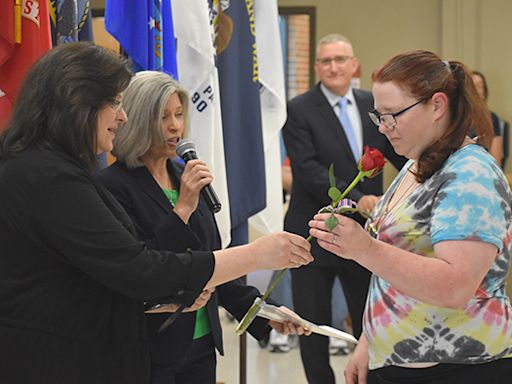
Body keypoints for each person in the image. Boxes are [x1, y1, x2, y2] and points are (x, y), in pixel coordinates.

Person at [0, 42, 313, 384]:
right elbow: (140, 268)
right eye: (115, 104)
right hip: (64, 358)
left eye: (179, 114)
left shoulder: (61, 170)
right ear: (79, 104)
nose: (122, 117)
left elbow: (100, 277)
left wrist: (256, 312)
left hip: (174, 345)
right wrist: (256, 254)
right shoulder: (55, 178)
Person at [309, 50, 512, 384]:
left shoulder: (470, 173)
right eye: (379, 116)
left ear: (437, 105)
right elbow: (397, 268)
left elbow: (454, 286)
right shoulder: (416, 163)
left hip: (457, 367)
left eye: (393, 115)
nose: (384, 128)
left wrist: (364, 249)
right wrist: (369, 339)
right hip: (402, 360)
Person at [97, 70, 309, 383]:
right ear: (139, 120)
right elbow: (141, 267)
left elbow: (212, 261)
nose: (175, 126)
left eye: (180, 114)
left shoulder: (185, 175)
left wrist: (267, 314)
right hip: (147, 348)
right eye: (164, 116)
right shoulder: (112, 187)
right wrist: (182, 208)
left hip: (200, 344)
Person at [282, 33, 406, 383]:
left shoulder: (374, 103)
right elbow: (307, 171)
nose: (333, 66)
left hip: (366, 238)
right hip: (313, 234)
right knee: (314, 329)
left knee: (368, 322)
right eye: (325, 61)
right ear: (317, 67)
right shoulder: (299, 108)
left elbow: (400, 154)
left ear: (355, 66)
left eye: (340, 59)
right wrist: (355, 202)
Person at [472, 70, 509, 168]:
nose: (475, 88)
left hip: (483, 171)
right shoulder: (454, 116)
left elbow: (495, 162)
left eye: (479, 86)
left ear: (484, 93)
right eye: (471, 85)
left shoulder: (491, 118)